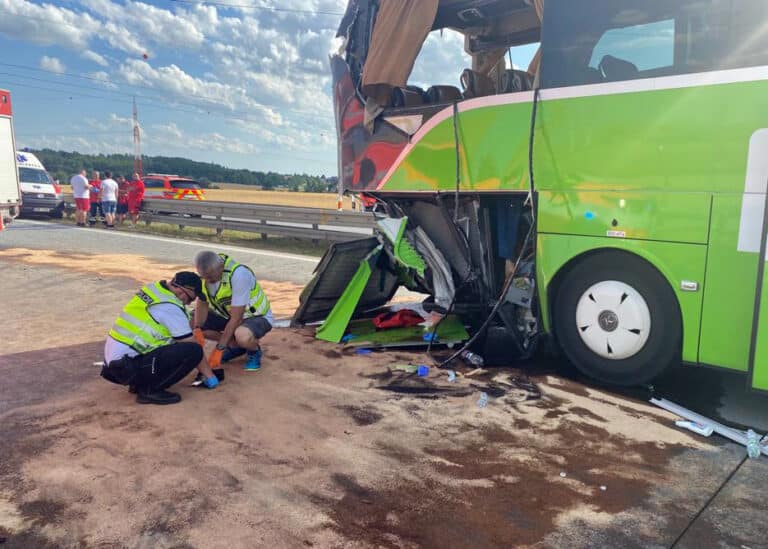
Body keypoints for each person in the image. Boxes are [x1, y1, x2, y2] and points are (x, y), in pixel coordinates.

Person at [101, 271, 220, 405]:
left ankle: (139, 383)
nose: (188, 303)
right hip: (125, 366)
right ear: (182, 291)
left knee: (174, 344)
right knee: (193, 351)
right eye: (191, 299)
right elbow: (190, 344)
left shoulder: (154, 290)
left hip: (115, 363)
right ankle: (149, 390)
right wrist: (210, 376)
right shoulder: (169, 307)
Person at [193, 251, 273, 372]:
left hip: (255, 316)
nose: (207, 280)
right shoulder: (205, 277)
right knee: (191, 323)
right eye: (203, 276)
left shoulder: (239, 275)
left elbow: (236, 318)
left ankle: (253, 350)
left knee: (243, 336)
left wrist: (220, 348)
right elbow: (202, 302)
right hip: (227, 315)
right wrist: (197, 328)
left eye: (209, 276)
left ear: (221, 266)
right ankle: (236, 347)